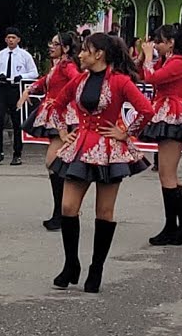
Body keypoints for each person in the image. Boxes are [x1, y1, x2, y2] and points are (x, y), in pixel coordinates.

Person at [49, 33, 153, 293]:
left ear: (99, 54)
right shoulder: (79, 79)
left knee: (104, 212)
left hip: (109, 151)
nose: (80, 54)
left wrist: (126, 132)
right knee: (68, 207)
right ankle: (71, 264)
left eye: (86, 50)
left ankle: (96, 268)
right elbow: (56, 105)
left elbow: (146, 109)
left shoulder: (120, 81)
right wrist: (63, 131)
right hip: (81, 147)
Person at [139, 24, 182, 247]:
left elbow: (152, 78)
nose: (156, 45)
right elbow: (142, 74)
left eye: (159, 41)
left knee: (167, 174)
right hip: (165, 110)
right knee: (168, 175)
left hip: (173, 113)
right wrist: (144, 57)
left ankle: (174, 228)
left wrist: (148, 57)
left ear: (171, 43)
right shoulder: (167, 60)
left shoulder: (178, 62)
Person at [17, 31, 81, 231]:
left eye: (56, 44)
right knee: (55, 164)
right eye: (51, 43)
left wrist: (65, 100)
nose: (51, 47)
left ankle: (63, 213)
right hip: (54, 114)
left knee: (54, 162)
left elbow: (78, 83)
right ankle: (61, 212)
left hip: (62, 116)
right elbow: (46, 80)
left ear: (66, 48)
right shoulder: (58, 66)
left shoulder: (68, 66)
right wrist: (29, 90)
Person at [0, 27, 39, 165]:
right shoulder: (1, 55)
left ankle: (17, 154)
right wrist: (0, 75)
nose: (11, 40)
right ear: (5, 39)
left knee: (17, 122)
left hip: (16, 89)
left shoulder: (25, 55)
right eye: (9, 37)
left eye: (13, 38)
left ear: (18, 40)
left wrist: (21, 76)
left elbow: (34, 73)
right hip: (2, 88)